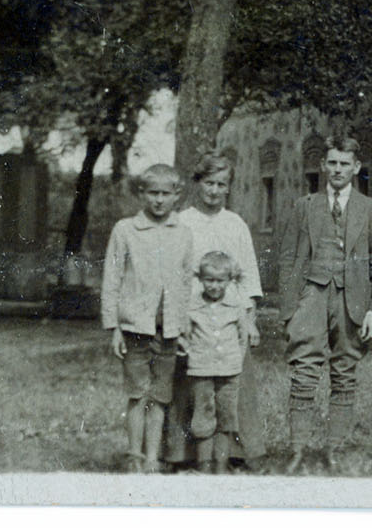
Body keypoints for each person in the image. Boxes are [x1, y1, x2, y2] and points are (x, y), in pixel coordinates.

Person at [276, 132, 372, 471]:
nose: (338, 169)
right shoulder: (305, 206)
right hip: (311, 294)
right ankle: (297, 450)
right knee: (304, 372)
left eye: (345, 164)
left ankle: (334, 451)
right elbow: (286, 259)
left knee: (345, 372)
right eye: (332, 163)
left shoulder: (370, 209)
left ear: (356, 167)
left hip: (352, 298)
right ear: (323, 165)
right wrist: (288, 309)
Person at [161, 155, 265, 470]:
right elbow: (171, 274)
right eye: (209, 183)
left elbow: (247, 276)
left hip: (230, 314)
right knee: (190, 382)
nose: (214, 191)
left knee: (234, 382)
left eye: (222, 184)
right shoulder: (181, 221)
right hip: (193, 314)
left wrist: (248, 317)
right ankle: (183, 453)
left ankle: (239, 451)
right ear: (197, 183)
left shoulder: (235, 223)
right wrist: (177, 319)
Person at [101, 163, 194, 472]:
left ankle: (153, 458)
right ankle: (134, 457)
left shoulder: (182, 232)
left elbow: (185, 282)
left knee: (160, 397)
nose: (158, 200)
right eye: (152, 193)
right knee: (137, 393)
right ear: (141, 194)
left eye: (166, 194)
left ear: (177, 196)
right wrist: (113, 327)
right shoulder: (125, 230)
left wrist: (182, 327)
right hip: (134, 327)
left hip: (168, 329)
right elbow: (112, 278)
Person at [183, 251, 249, 473]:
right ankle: (204, 465)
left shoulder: (235, 306)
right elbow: (186, 335)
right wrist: (193, 355)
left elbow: (243, 337)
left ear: (229, 281)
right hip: (201, 371)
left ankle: (221, 466)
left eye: (220, 281)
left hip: (229, 372)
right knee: (203, 417)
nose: (214, 286)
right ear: (201, 279)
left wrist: (234, 361)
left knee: (226, 418)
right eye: (209, 280)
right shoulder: (192, 307)